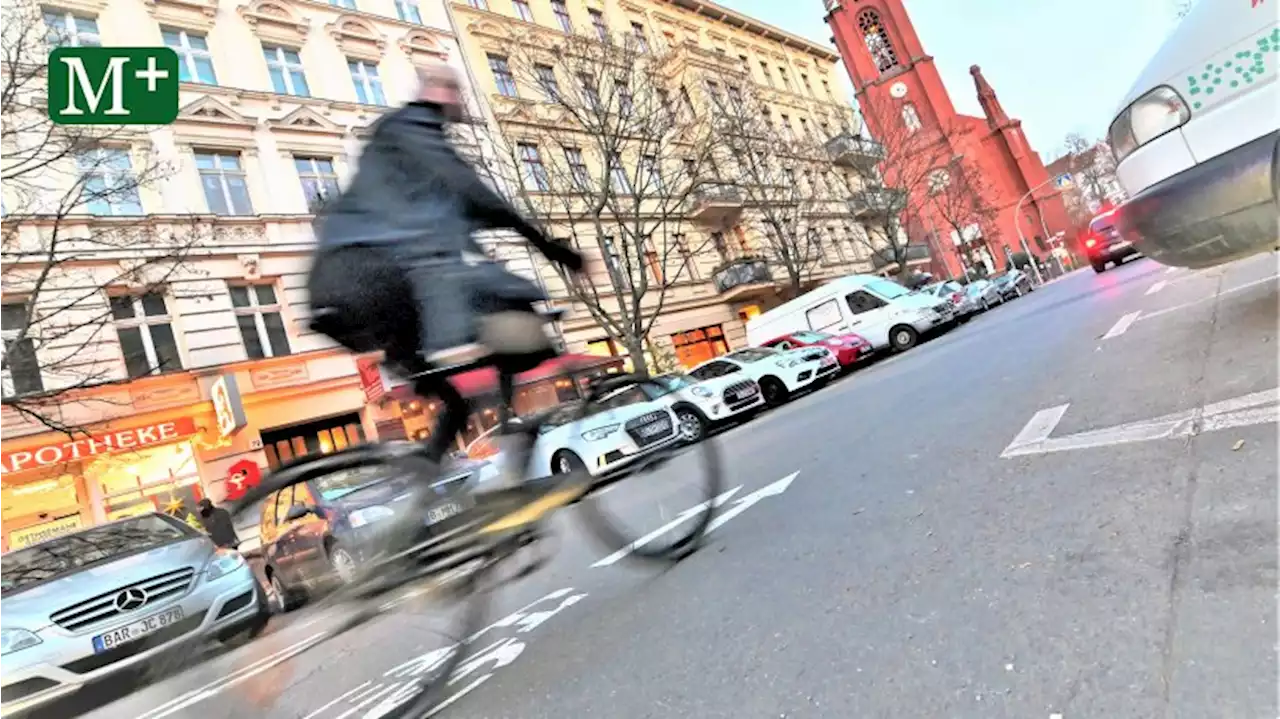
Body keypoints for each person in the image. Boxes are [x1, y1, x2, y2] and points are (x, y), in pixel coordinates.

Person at [307, 61, 585, 474]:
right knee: (520, 316)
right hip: (378, 277)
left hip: (342, 292)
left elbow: (470, 209)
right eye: (456, 91)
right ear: (439, 90)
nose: (460, 101)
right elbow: (476, 195)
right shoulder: (415, 127)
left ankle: (421, 509)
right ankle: (515, 453)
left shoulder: (400, 152)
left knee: (454, 401)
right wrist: (551, 248)